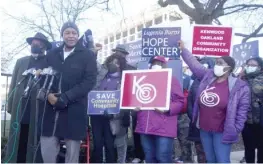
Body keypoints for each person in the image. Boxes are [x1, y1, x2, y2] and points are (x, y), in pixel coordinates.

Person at [178, 40, 250, 163]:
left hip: (222, 131)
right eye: (216, 62)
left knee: (222, 160)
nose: (216, 65)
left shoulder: (240, 86)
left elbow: (242, 111)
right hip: (204, 129)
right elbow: (194, 64)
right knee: (210, 160)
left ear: (229, 67)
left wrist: (235, 128)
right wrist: (183, 50)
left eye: (220, 63)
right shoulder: (208, 76)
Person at [40, 21, 97, 163]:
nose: (70, 36)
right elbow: (43, 77)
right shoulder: (52, 54)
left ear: (78, 35)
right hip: (51, 110)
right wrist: (48, 95)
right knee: (47, 150)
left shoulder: (87, 55)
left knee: (72, 155)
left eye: (74, 33)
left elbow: (89, 82)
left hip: (74, 109)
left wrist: (66, 97)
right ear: (62, 35)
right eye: (67, 32)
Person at [5, 32, 51, 163]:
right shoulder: (21, 61)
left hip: (38, 108)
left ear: (44, 46)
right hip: (20, 108)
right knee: (18, 137)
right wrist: (10, 105)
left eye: (39, 42)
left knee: (34, 139)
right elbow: (13, 83)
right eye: (34, 42)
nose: (36, 44)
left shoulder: (48, 62)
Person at [135, 56, 184, 163]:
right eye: (153, 63)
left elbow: (180, 101)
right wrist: (134, 105)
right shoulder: (142, 80)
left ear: (165, 66)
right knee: (149, 157)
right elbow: (136, 97)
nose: (156, 66)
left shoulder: (171, 80)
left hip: (164, 126)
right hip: (145, 125)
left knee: (163, 157)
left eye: (160, 63)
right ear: (149, 65)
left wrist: (168, 108)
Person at [90, 54, 130, 163]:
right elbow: (92, 90)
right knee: (97, 144)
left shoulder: (124, 80)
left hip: (112, 118)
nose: (114, 64)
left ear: (121, 66)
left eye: (117, 63)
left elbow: (124, 103)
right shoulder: (101, 76)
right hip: (96, 115)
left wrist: (114, 114)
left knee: (110, 145)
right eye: (112, 62)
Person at [187, 57, 215, 163]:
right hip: (197, 124)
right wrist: (193, 116)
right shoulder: (194, 82)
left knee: (212, 152)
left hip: (213, 124)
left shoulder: (217, 81)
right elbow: (190, 101)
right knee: (200, 152)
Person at [241, 57, 263, 163]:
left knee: (262, 149)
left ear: (260, 67)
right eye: (248, 65)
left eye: (253, 65)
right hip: (246, 121)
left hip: (261, 121)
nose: (250, 67)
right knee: (248, 148)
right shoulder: (242, 79)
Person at [174, 73, 194, 163]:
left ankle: (188, 159)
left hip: (183, 115)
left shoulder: (187, 79)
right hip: (171, 115)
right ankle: (183, 157)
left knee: (185, 140)